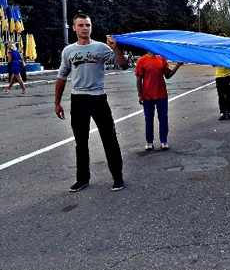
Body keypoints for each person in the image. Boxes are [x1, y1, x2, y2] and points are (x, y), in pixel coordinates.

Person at [54, 13, 128, 192]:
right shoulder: (68, 51)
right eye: (80, 25)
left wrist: (116, 49)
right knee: (81, 141)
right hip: (78, 100)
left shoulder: (101, 48)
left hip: (98, 99)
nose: (84, 28)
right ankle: (82, 179)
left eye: (87, 25)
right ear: (74, 28)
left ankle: (118, 177)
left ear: (91, 27)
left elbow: (123, 65)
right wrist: (57, 102)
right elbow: (62, 76)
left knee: (109, 138)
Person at [135, 51, 182, 151]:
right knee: (148, 119)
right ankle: (149, 141)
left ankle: (164, 141)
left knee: (163, 118)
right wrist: (140, 95)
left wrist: (177, 66)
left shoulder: (161, 59)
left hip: (161, 94)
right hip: (148, 95)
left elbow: (168, 75)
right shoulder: (141, 61)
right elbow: (139, 79)